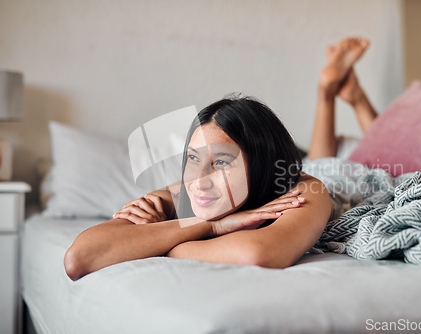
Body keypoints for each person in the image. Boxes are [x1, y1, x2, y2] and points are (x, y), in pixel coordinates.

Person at [64, 37, 374, 281]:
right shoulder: (183, 192)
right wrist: (210, 226)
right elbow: (80, 258)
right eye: (192, 159)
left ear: (262, 165)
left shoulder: (302, 192)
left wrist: (159, 242)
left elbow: (260, 254)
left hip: (336, 179)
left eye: (222, 162)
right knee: (318, 159)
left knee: (322, 163)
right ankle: (328, 91)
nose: (199, 179)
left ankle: (332, 94)